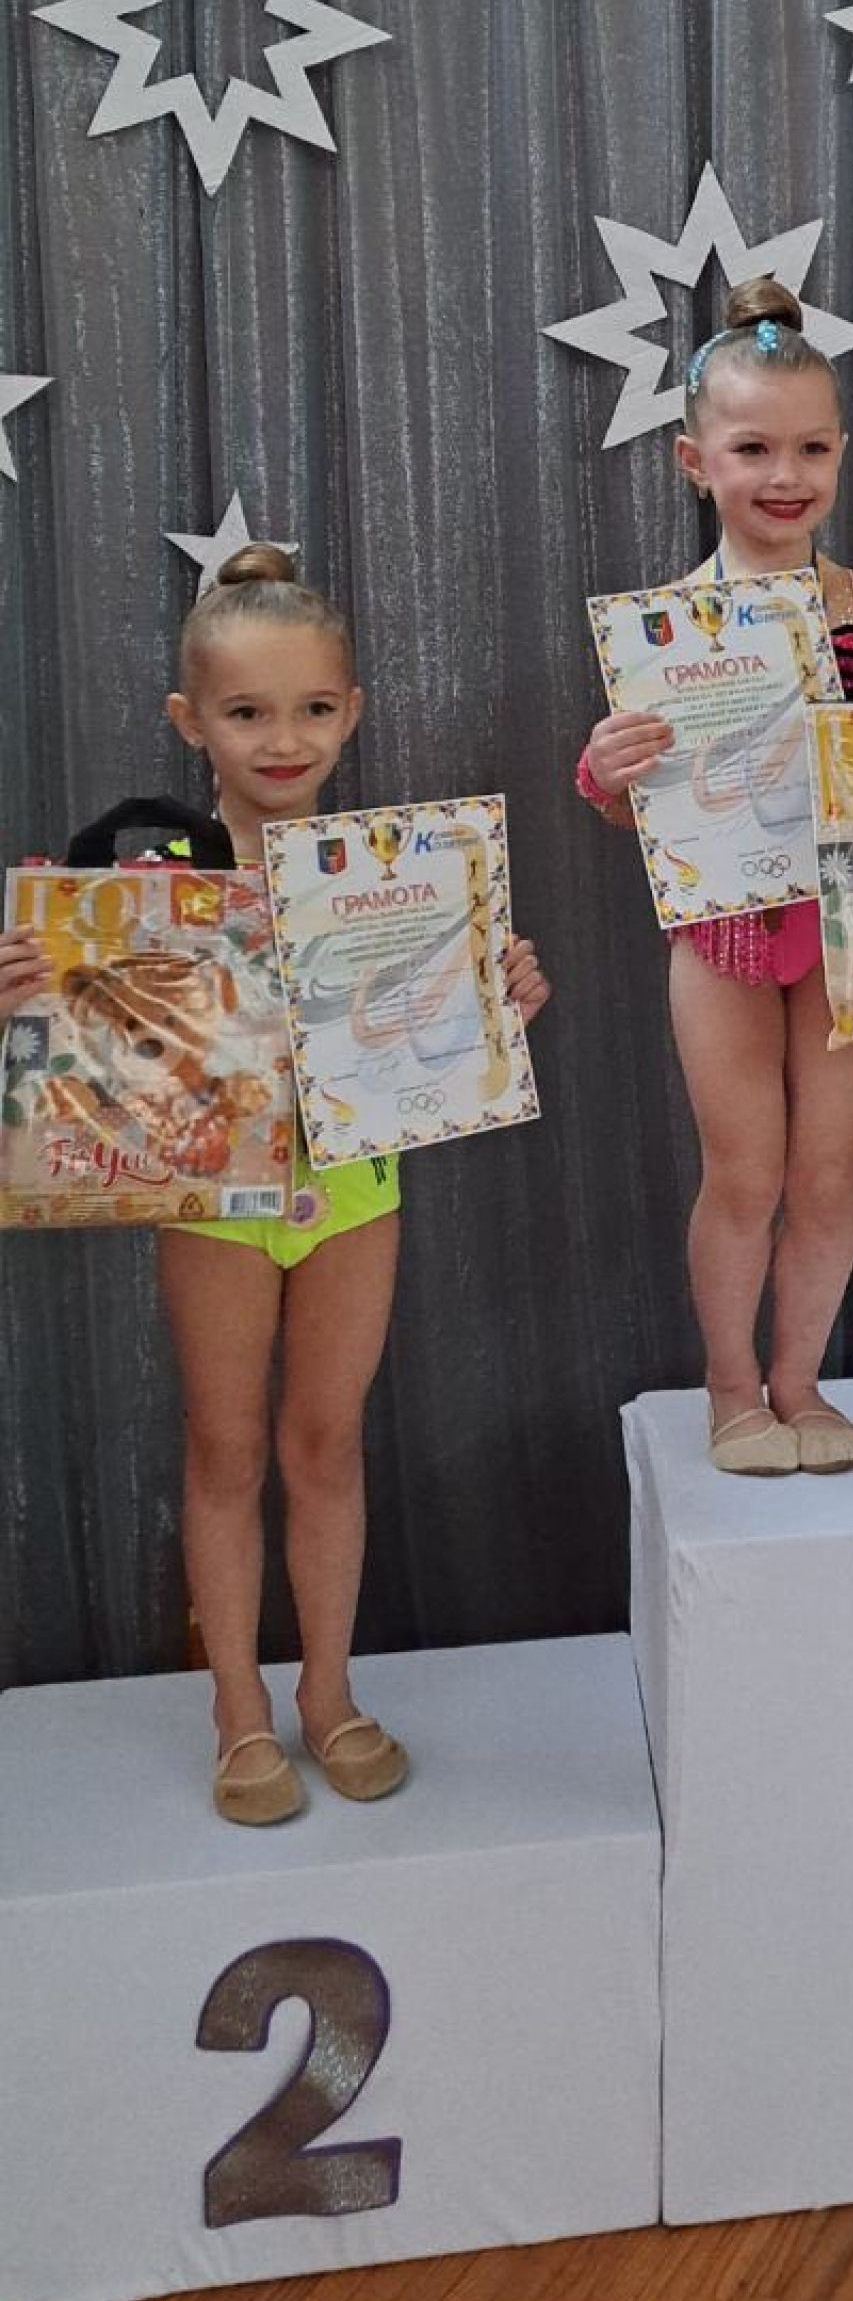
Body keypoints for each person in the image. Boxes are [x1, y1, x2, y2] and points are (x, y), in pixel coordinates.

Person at [0, 546, 551, 1825]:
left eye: (311, 707)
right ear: (191, 720)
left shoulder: (400, 875)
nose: (284, 737)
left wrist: (497, 995)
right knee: (226, 1445)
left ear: (352, 710)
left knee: (325, 1443)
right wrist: (33, 990)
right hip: (213, 1196)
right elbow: (85, 1054)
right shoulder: (139, 878)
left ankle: (328, 1690)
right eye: (248, 711)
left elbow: (442, 1028)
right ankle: (238, 1707)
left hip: (355, 1185)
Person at [577, 279, 853, 1476]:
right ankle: (732, 1387)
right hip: (724, 931)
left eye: (812, 448)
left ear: (841, 453)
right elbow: (641, 806)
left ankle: (801, 1380)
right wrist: (605, 767)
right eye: (753, 448)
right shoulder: (663, 631)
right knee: (745, 1170)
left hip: (849, 932)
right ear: (694, 459)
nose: (786, 474)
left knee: (827, 1172)